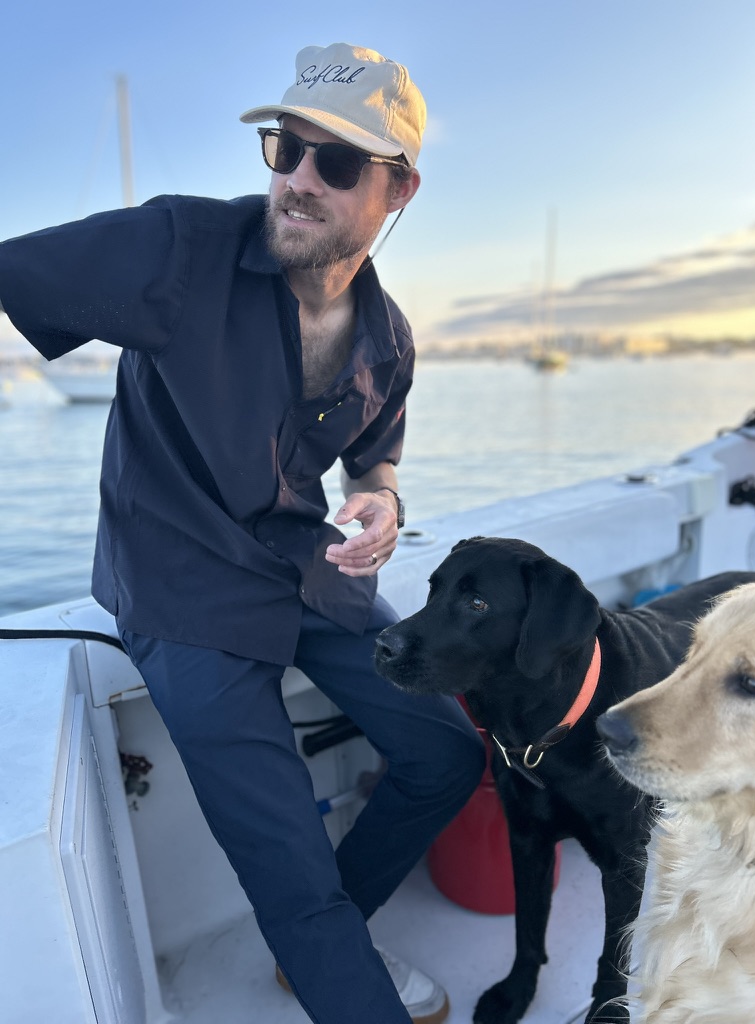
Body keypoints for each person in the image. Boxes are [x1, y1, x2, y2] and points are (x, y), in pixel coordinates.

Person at [0, 42, 485, 1024]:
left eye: (337, 162)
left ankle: (318, 944)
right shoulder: (179, 247)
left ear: (400, 191)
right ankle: (323, 948)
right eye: (286, 147)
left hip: (309, 568)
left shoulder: (388, 338)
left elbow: (375, 461)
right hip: (177, 582)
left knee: (447, 752)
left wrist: (382, 503)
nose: (299, 180)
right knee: (289, 866)